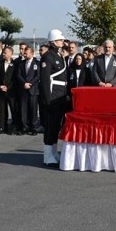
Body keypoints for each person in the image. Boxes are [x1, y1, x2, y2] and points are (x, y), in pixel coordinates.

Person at [40, 29, 68, 165]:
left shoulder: (58, 55)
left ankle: (54, 152)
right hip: (52, 94)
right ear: (52, 42)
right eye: (59, 40)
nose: (62, 42)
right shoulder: (48, 57)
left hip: (60, 93)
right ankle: (47, 156)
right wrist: (47, 99)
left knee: (56, 125)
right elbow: (45, 80)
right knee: (50, 126)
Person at [16, 46, 40, 135]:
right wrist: (24, 83)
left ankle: (34, 128)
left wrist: (30, 84)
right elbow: (18, 75)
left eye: (26, 53)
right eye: (24, 53)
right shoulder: (21, 63)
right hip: (23, 89)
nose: (24, 55)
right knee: (23, 110)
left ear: (32, 53)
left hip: (33, 90)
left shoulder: (37, 63)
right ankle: (24, 127)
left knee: (33, 110)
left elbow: (37, 76)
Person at [0, 46, 16, 134]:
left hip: (11, 92)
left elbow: (15, 78)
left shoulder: (15, 64)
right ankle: (2, 127)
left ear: (11, 53)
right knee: (2, 110)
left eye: (5, 52)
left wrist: (8, 87)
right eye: (3, 52)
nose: (3, 54)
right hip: (1, 91)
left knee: (13, 109)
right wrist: (0, 86)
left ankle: (14, 127)